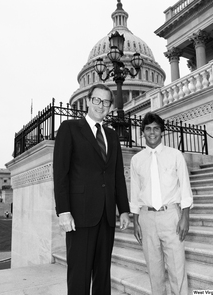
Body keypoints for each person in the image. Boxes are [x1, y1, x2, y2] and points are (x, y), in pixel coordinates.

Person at [53, 83, 130, 295]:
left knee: (103, 274)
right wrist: (64, 211)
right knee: (79, 274)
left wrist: (123, 209)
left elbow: (116, 175)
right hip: (79, 215)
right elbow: (61, 174)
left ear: (110, 106)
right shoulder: (70, 128)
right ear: (88, 101)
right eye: (97, 100)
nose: (101, 105)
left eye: (106, 102)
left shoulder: (112, 135)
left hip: (106, 216)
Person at [130, 112, 193, 295]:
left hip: (171, 216)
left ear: (162, 131)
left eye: (156, 128)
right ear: (143, 132)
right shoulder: (137, 160)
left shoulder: (175, 155)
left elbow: (185, 188)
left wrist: (185, 217)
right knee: (154, 272)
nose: (152, 132)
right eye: (148, 129)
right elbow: (135, 193)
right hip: (147, 218)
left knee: (177, 269)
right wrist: (136, 221)